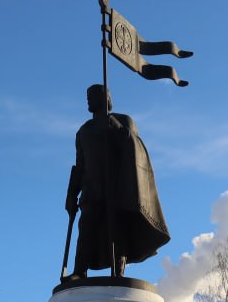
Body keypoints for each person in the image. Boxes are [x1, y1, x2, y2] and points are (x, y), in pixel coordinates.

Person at [65, 84, 170, 278]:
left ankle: (118, 272)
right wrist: (71, 195)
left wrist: (118, 128)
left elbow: (136, 147)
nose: (89, 99)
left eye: (94, 95)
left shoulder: (122, 120)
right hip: (91, 189)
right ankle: (79, 271)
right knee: (86, 229)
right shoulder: (84, 131)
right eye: (87, 95)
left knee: (117, 230)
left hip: (117, 188)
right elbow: (79, 166)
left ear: (106, 98)